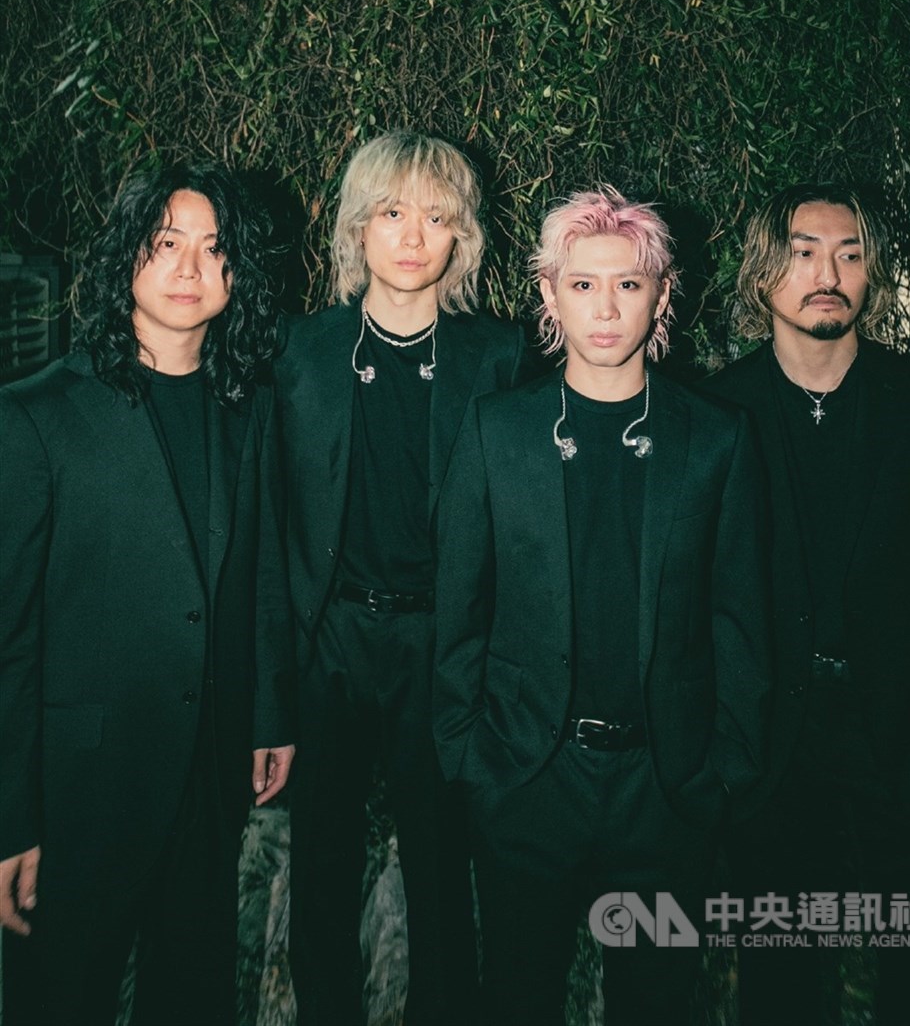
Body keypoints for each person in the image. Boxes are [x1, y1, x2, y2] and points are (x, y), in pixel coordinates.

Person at [433, 187, 770, 1026]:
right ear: (549, 295)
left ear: (662, 293)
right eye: (583, 284)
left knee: (657, 1004)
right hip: (527, 777)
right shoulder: (497, 430)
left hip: (666, 788)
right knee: (517, 998)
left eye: (628, 283)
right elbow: (459, 610)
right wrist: (470, 758)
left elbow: (740, 618)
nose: (607, 307)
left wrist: (723, 769)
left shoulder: (717, 436)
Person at [0, 161, 295, 1026]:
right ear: (127, 254)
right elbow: (9, 637)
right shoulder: (36, 415)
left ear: (237, 272)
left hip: (209, 768)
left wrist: (269, 713)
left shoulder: (248, 408)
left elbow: (261, 575)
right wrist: (10, 817)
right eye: (166, 243)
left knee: (193, 998)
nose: (189, 267)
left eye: (213, 247)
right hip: (79, 786)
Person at [707, 181, 910, 1026]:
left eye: (849, 254)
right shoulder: (716, 413)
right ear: (762, 274)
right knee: (780, 984)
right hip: (775, 746)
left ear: (871, 274)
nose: (827, 273)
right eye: (803, 253)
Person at [277, 130, 524, 1026]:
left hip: (442, 645)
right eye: (392, 212)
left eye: (436, 215)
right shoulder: (302, 352)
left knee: (441, 861)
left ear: (462, 235)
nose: (413, 235)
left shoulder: (497, 357)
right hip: (333, 640)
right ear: (358, 227)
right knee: (321, 863)